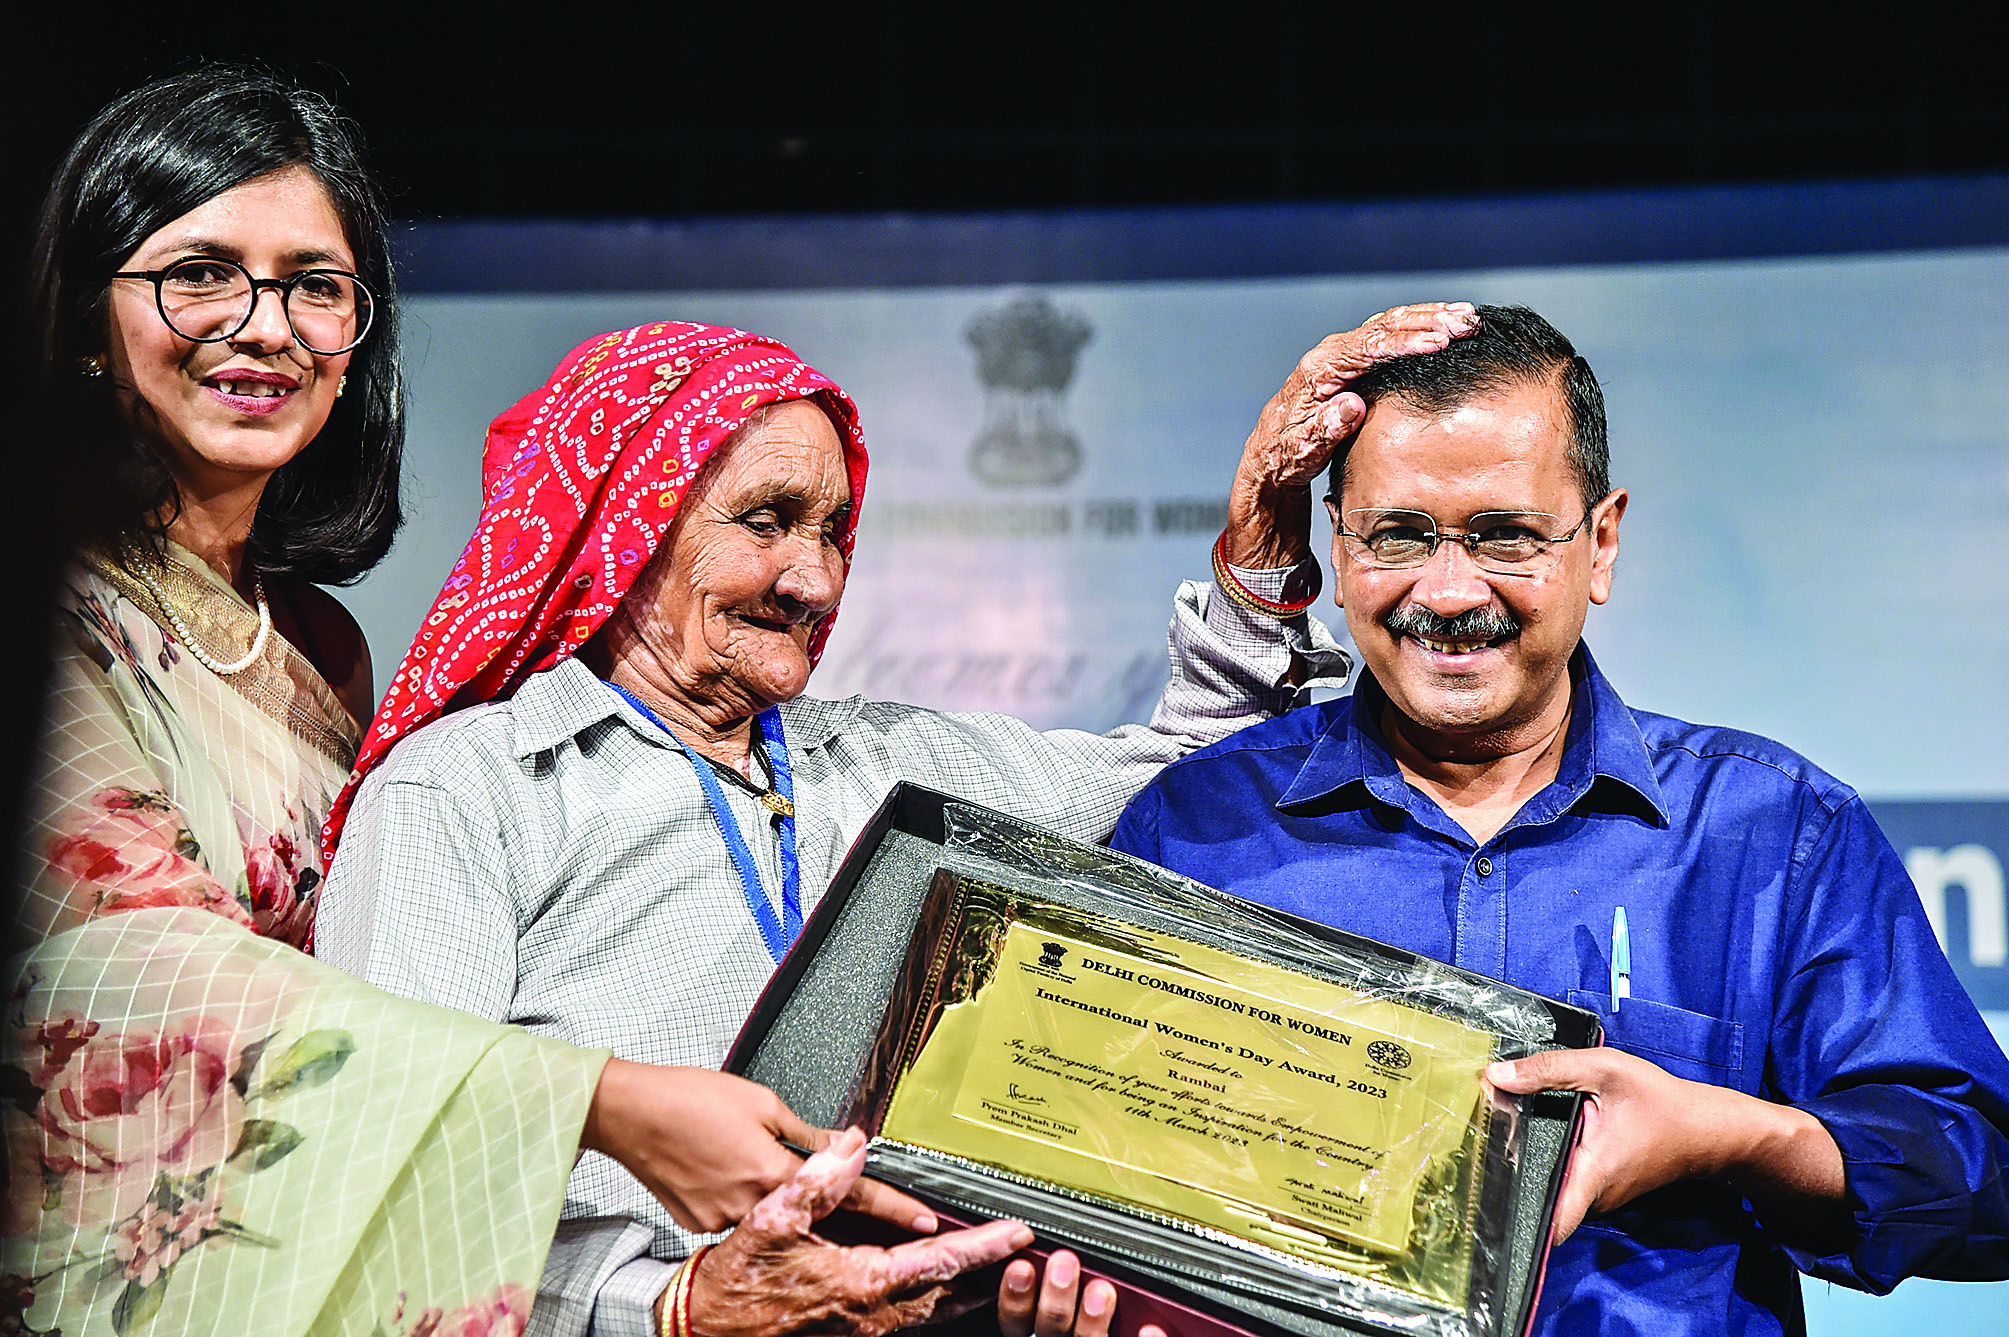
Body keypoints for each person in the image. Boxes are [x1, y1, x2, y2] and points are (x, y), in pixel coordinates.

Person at [4, 67, 1075, 1337]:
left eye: (315, 284)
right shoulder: (52, 614)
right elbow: (150, 972)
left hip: (288, 1240)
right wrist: (602, 1102)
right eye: (199, 272)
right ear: (85, 311)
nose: (265, 323)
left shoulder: (317, 642)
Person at [315, 305, 1481, 1331]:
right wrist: (665, 1312)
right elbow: (383, 1184)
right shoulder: (467, 792)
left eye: (830, 531)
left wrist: (1264, 541)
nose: (814, 579)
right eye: (764, 519)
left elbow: (1189, 774)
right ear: (630, 519)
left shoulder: (893, 764)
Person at [1107, 304, 2009, 1335]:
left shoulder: (1772, 832)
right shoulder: (1195, 826)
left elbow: (1982, 1185)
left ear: (1601, 540)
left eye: (1504, 534)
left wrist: (1725, 1132)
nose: (1447, 592)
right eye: (1398, 533)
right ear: (1338, 542)